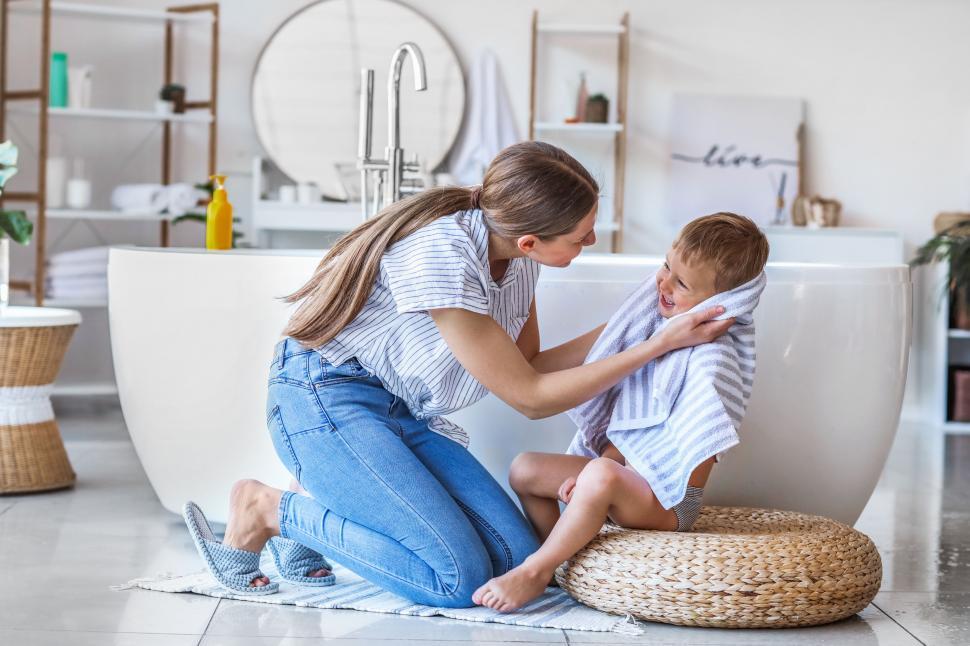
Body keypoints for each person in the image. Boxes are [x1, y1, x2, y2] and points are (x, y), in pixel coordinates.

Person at [182, 141, 734, 607]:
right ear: (530, 240)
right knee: (454, 579)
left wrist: (636, 330)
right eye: (581, 236)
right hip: (324, 398)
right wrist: (657, 345)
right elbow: (532, 397)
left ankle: (326, 492)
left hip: (399, 410)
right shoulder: (443, 254)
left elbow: (531, 364)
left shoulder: (518, 262)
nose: (590, 242)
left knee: (514, 559)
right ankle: (268, 509)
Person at [474, 213, 769, 612]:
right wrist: (602, 474)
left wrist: (604, 478)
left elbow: (678, 458)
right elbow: (630, 426)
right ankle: (561, 562)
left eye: (681, 283)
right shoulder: (654, 330)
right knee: (525, 469)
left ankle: (535, 570)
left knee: (599, 474)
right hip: (626, 474)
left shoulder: (709, 363)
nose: (662, 283)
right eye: (666, 265)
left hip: (669, 498)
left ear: (718, 304)